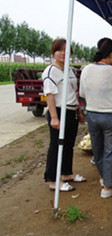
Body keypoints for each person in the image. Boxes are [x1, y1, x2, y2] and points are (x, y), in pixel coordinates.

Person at [79, 37, 112, 198]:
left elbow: (82, 94)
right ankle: (107, 187)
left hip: (92, 115)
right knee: (109, 152)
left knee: (97, 151)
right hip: (111, 117)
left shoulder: (86, 69)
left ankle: (103, 178)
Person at [42, 39, 86, 192]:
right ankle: (54, 180)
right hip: (59, 112)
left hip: (71, 111)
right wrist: (54, 117)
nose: (62, 53)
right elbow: (49, 95)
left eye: (66, 50)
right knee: (56, 146)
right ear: (53, 53)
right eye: (59, 50)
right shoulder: (50, 71)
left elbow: (73, 92)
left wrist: (79, 111)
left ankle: (67, 173)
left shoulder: (69, 69)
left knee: (69, 145)